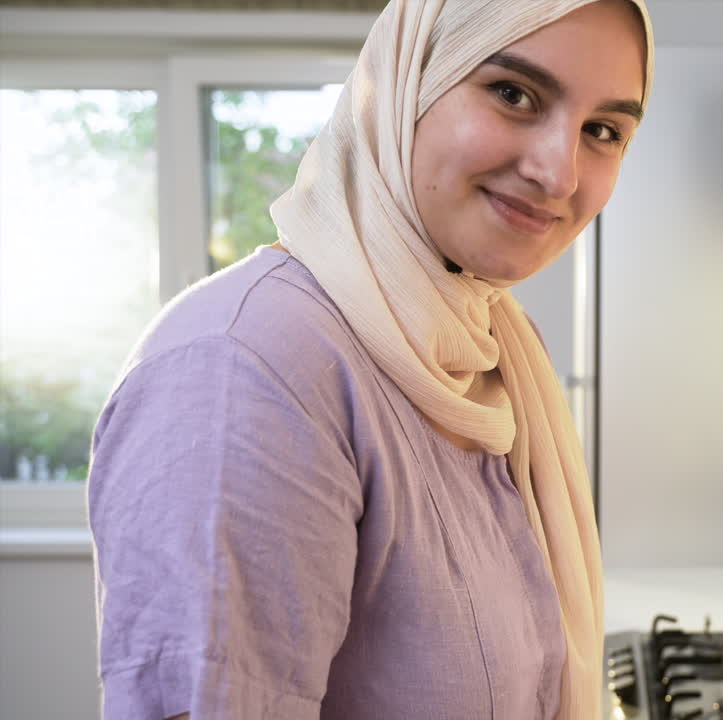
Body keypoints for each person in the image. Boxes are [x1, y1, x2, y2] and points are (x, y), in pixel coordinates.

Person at [86, 0, 652, 717]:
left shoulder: (495, 343)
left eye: (603, 131)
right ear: (404, 87)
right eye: (513, 94)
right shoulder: (246, 367)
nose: (559, 172)